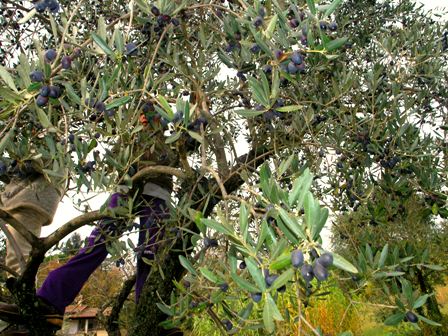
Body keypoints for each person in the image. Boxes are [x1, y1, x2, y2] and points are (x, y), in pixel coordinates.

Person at [0, 109, 178, 334]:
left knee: (151, 256)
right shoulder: (129, 134)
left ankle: (155, 318)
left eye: (152, 113)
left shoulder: (169, 141)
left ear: (161, 119)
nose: (146, 116)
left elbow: (183, 149)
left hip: (158, 194)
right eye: (142, 112)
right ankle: (50, 300)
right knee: (97, 244)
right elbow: (115, 160)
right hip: (127, 188)